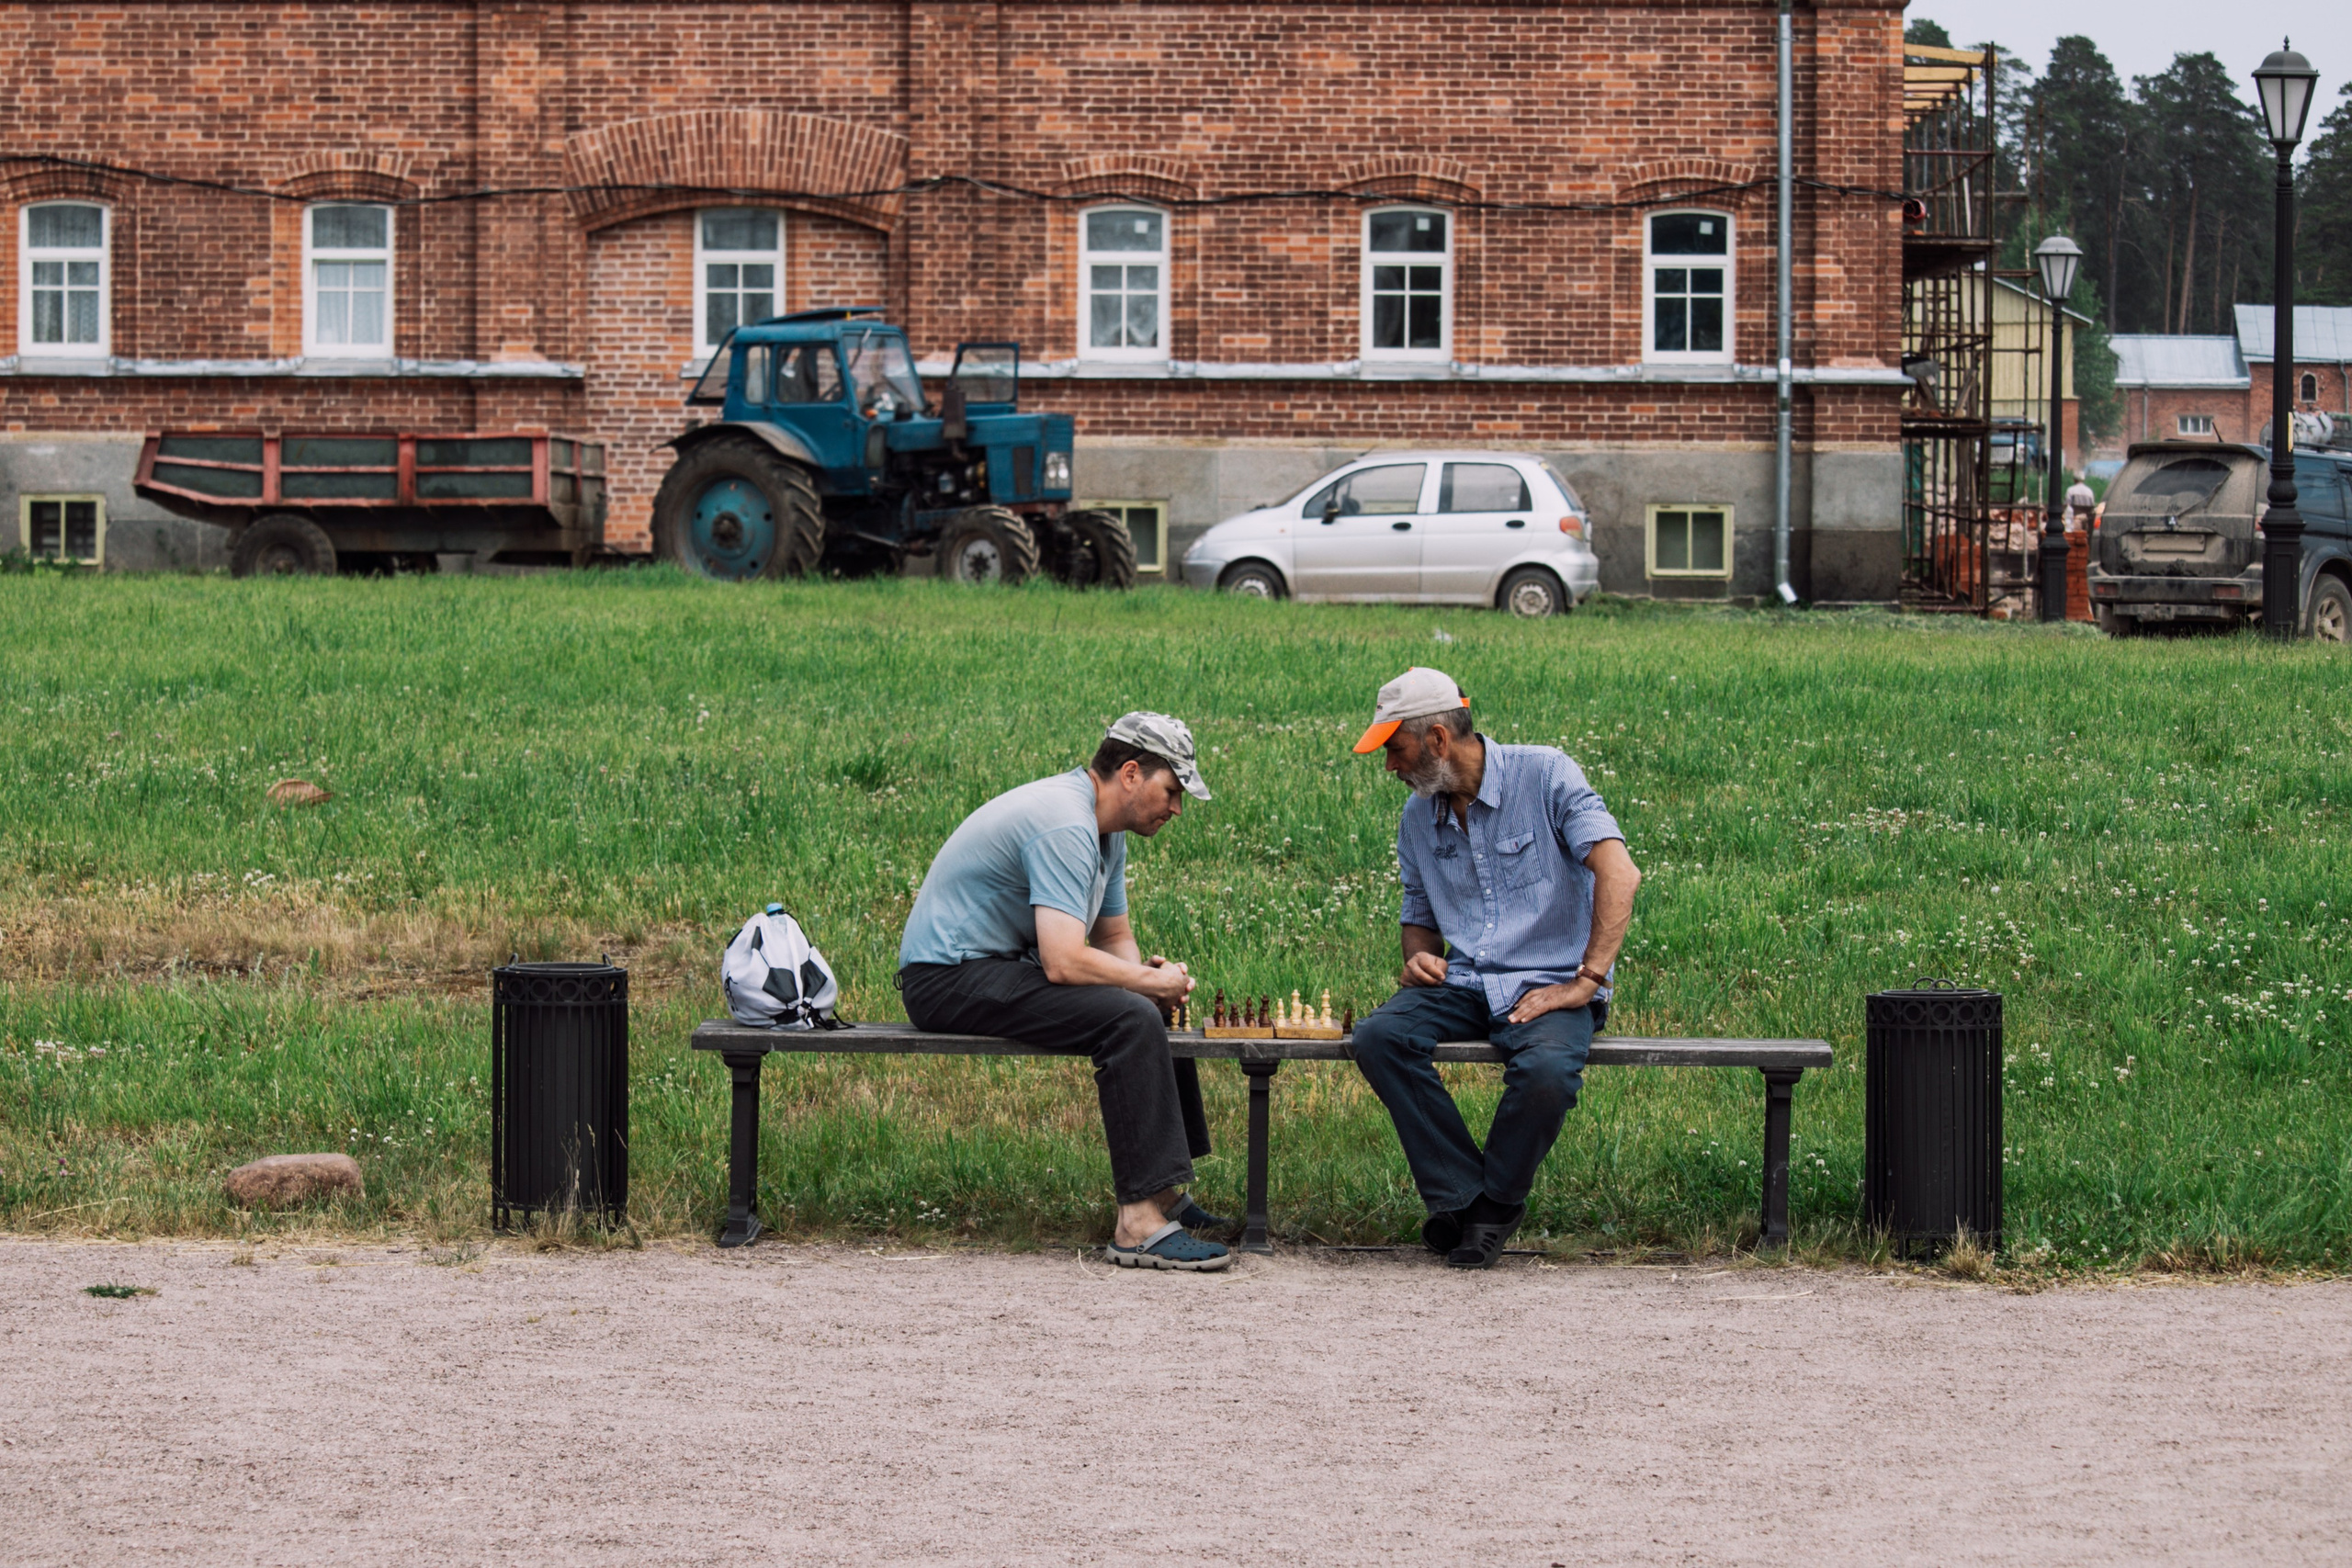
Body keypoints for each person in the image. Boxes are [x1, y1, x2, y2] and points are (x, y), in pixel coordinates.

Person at [898, 712, 1231, 1271]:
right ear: (1130, 773)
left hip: (992, 966)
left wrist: (1151, 986)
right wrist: (1146, 982)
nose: (1176, 809)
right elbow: (1062, 960)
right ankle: (1137, 1224)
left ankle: (1164, 1195)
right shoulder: (1065, 824)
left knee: (1145, 1011)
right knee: (1129, 1019)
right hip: (946, 978)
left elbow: (1114, 935)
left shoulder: (1105, 832)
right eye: (1172, 791)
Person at [1346, 668, 1641, 1269]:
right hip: (1466, 980)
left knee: (1547, 1072)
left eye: (1395, 749)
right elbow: (1418, 914)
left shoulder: (1547, 773)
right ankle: (1465, 1195)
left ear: (1435, 741)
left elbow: (1620, 872)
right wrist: (1417, 957)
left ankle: (1497, 1204)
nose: (1390, 767)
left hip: (1551, 980)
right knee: (1380, 1036)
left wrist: (1585, 981)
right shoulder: (1415, 817)